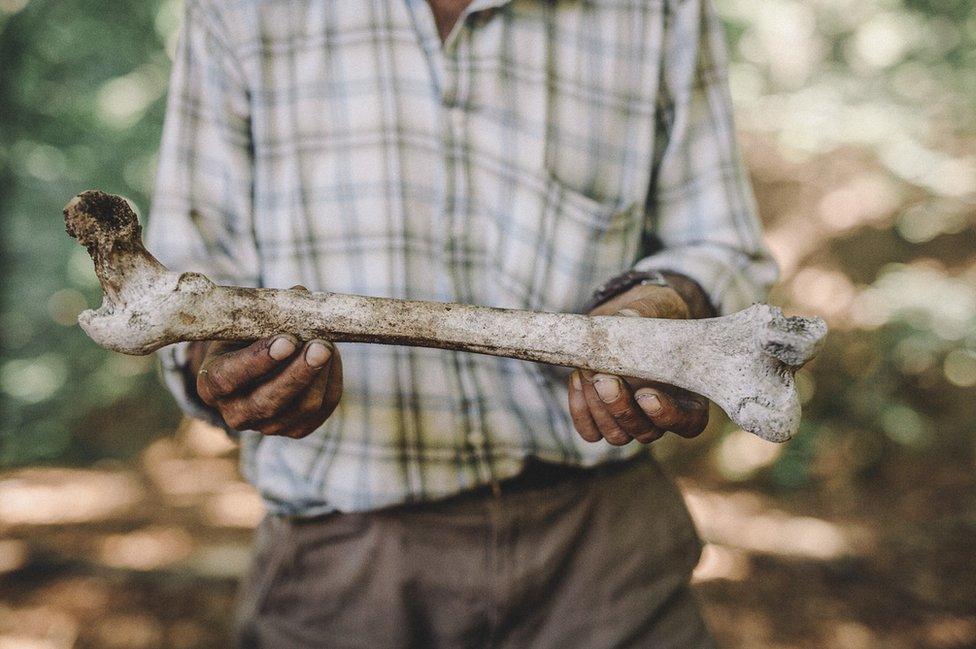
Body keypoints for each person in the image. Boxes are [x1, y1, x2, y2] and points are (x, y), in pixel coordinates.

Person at [147, 0, 778, 646]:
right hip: (340, 569)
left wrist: (665, 304)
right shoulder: (237, 10)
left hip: (607, 557)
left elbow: (721, 245)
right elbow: (190, 279)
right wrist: (223, 361)